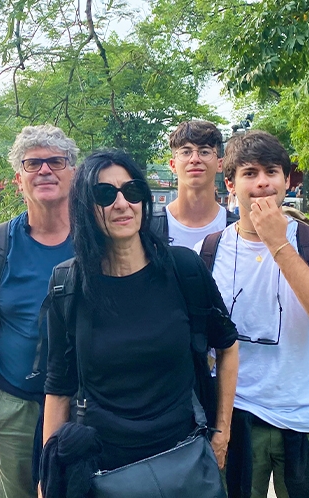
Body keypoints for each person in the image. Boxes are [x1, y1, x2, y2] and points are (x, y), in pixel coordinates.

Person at [42, 149, 239, 483]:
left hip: (183, 457)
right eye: (105, 194)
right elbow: (59, 386)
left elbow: (228, 345)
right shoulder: (68, 285)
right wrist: (50, 471)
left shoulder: (184, 270)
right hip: (106, 466)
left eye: (132, 191)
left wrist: (221, 432)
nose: (121, 204)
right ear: (84, 207)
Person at [205, 130, 309, 498]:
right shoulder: (208, 251)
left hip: (308, 416)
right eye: (250, 173)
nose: (262, 183)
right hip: (236, 417)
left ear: (287, 181)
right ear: (229, 183)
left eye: (272, 172)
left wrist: (278, 241)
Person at [0, 125, 79, 498]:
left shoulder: (99, 241)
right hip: (16, 405)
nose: (44, 171)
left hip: (85, 403)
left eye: (55, 162)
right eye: (32, 164)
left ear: (73, 173)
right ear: (18, 180)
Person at [155, 120, 239, 248]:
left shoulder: (237, 230)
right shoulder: (150, 229)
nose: (195, 159)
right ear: (173, 165)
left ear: (220, 164)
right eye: (186, 152)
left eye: (204, 152)